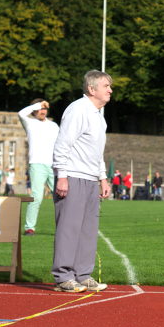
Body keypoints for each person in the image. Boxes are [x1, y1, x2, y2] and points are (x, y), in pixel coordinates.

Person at [51, 70, 112, 293]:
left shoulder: (98, 116)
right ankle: (63, 276)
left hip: (89, 178)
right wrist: (62, 176)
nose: (110, 90)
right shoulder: (77, 110)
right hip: (73, 176)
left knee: (87, 229)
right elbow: (62, 144)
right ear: (92, 89)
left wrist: (102, 178)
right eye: (106, 86)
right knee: (69, 228)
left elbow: (96, 152)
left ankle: (83, 274)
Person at [18, 98, 60, 236]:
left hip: (54, 165)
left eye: (45, 108)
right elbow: (21, 113)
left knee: (61, 197)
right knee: (36, 197)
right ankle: (29, 227)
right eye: (40, 108)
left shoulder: (54, 126)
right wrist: (37, 104)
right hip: (37, 164)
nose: (43, 111)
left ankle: (63, 227)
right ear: (34, 110)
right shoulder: (29, 123)